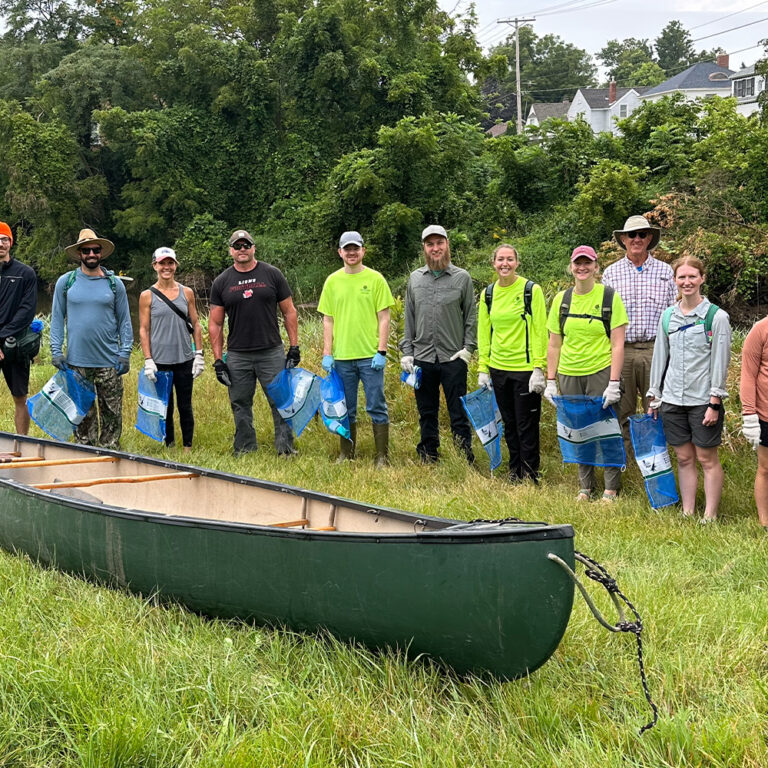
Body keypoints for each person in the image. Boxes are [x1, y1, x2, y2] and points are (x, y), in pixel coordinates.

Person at [647, 256, 731, 523]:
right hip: (672, 399)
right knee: (683, 457)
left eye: (692, 276)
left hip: (703, 400)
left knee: (706, 457)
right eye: (681, 277)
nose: (687, 282)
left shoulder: (716, 317)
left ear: (702, 278)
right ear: (675, 280)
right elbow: (660, 357)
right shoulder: (667, 316)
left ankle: (710, 515)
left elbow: (720, 362)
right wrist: (655, 395)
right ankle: (688, 511)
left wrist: (715, 402)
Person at [544, 245, 628, 502]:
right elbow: (554, 344)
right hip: (569, 374)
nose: (582, 268)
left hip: (600, 371)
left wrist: (614, 382)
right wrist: (550, 380)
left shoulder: (609, 297)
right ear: (571, 267)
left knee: (606, 430)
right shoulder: (561, 300)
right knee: (578, 430)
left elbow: (618, 344)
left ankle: (611, 488)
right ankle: (585, 487)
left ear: (596, 267)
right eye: (578, 263)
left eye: (587, 263)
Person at [209, 229, 300, 456]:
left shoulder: (272, 274)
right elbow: (216, 323)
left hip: (271, 350)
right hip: (238, 354)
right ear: (231, 251)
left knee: (281, 400)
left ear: (253, 248)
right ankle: (245, 448)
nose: (242, 249)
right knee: (240, 402)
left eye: (246, 245)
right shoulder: (222, 282)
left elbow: (289, 311)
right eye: (237, 246)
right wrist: (218, 360)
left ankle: (285, 449)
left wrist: (294, 347)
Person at [50, 228, 133, 449]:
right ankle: (85, 452)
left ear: (101, 252)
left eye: (95, 250)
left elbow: (125, 321)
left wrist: (125, 353)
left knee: (112, 413)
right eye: (86, 250)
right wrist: (56, 351)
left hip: (110, 362)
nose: (91, 254)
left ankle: (110, 452)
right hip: (77, 363)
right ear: (79, 253)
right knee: (82, 415)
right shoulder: (66, 282)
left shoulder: (114, 284)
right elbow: (57, 318)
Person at [400, 225, 477, 464]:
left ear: (447, 245)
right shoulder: (415, 279)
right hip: (422, 357)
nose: (435, 248)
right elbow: (409, 316)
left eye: (439, 243)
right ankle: (428, 454)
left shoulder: (462, 278)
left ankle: (463, 456)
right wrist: (407, 352)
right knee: (426, 411)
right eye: (430, 244)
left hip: (453, 357)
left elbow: (471, 316)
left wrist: (468, 349)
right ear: (424, 248)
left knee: (458, 411)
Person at [318, 231, 394, 467]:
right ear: (340, 252)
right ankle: (347, 453)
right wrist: (327, 353)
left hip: (370, 357)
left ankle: (382, 457)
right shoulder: (332, 281)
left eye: (356, 249)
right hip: (342, 358)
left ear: (363, 251)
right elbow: (328, 320)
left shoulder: (376, 279)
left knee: (376, 406)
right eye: (347, 249)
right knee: (345, 408)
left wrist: (381, 351)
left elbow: (384, 317)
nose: (352, 253)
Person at [602, 215, 676, 456]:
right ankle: (624, 460)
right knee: (621, 408)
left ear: (649, 238)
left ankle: (655, 460)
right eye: (632, 235)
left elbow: (673, 313)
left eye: (642, 234)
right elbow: (605, 316)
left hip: (656, 349)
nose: (637, 239)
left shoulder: (666, 271)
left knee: (655, 407)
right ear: (623, 239)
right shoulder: (611, 273)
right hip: (621, 349)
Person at [477, 244, 547, 483]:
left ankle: (530, 474)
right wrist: (483, 368)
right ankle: (515, 472)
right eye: (500, 259)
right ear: (493, 263)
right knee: (509, 423)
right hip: (498, 369)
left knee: (526, 424)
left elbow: (540, 330)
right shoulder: (487, 294)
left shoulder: (531, 290)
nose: (504, 264)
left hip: (525, 370)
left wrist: (539, 367)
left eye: (509, 259)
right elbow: (484, 333)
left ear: (517, 262)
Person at [139, 247, 204, 452]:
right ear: (155, 266)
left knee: (185, 405)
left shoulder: (187, 293)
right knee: (165, 406)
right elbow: (144, 329)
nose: (166, 267)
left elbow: (196, 324)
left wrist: (199, 354)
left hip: (184, 358)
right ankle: (170, 446)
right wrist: (148, 359)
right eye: (162, 263)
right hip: (160, 360)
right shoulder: (147, 296)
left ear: (175, 265)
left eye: (170, 263)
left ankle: (187, 447)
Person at [0, 221, 37, 435]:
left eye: (4, 239)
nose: (0, 244)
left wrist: (3, 338)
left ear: (10, 243)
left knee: (20, 397)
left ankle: (23, 443)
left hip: (16, 344)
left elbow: (27, 310)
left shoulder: (25, 273)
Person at [740, 317, 768, 532]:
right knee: (765, 467)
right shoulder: (760, 329)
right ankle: (764, 522)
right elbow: (748, 375)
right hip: (765, 413)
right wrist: (749, 414)